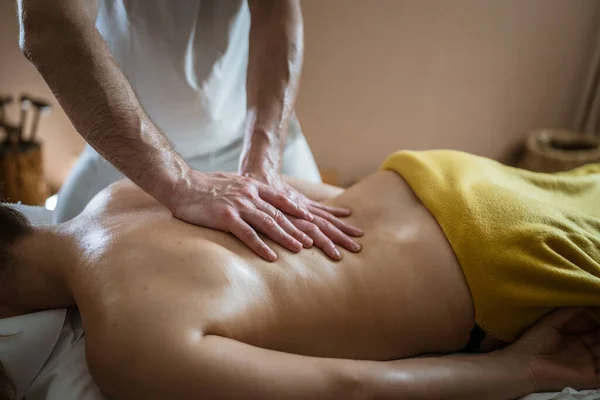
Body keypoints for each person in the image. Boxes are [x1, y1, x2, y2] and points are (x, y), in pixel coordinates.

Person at [1, 149, 600, 399]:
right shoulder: (120, 194)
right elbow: (303, 199)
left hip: (492, 263)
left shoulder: (127, 341)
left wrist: (519, 371)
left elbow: (350, 388)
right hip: (438, 178)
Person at [17, 0, 362, 262]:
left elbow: (277, 13)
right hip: (123, 156)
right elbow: (48, 25)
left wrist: (264, 161)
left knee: (335, 247)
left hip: (252, 141)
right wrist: (180, 184)